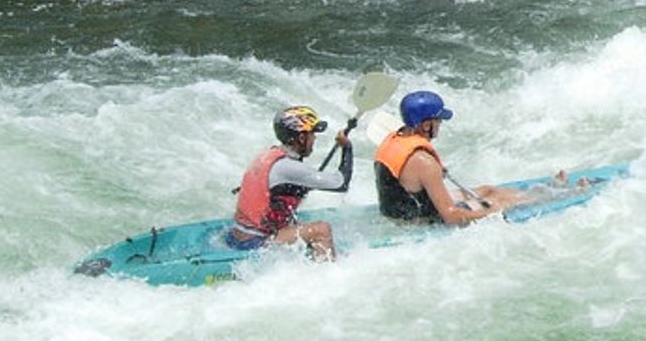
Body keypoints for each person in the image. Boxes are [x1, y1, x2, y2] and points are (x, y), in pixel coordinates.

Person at [374, 90, 532, 225]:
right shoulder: (425, 162)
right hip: (419, 220)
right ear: (426, 125)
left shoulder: (393, 139)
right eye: (438, 120)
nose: (440, 124)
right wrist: (493, 212)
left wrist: (431, 174)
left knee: (488, 189)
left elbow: (408, 174)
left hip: (396, 210)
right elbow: (451, 216)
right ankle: (548, 194)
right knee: (502, 201)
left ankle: (537, 193)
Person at [227, 105, 352, 258]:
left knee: (296, 221)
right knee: (322, 229)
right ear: (301, 138)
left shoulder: (269, 156)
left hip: (236, 235)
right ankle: (327, 274)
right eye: (312, 134)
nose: (315, 138)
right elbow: (341, 183)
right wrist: (347, 147)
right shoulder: (289, 168)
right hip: (254, 242)